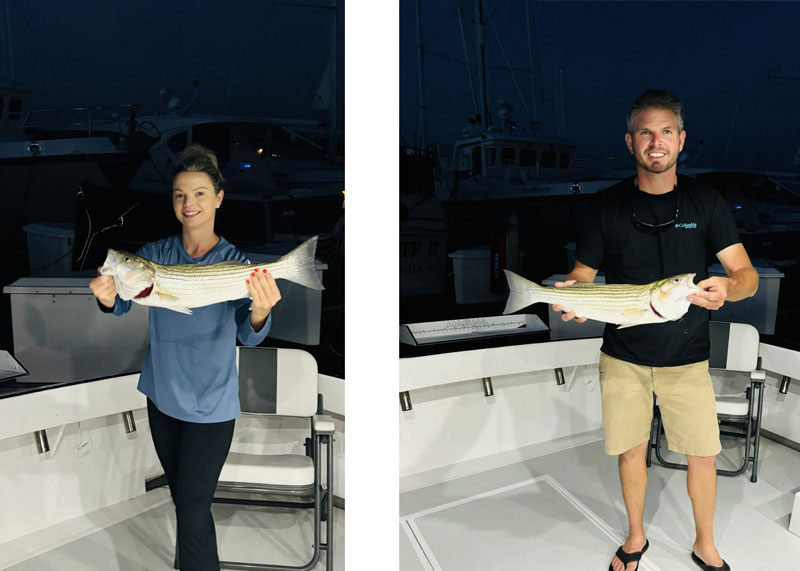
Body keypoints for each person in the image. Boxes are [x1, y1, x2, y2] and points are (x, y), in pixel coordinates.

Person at [554, 90, 758, 571]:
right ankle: (636, 537)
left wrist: (727, 290)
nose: (656, 141)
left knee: (702, 455)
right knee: (630, 453)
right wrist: (574, 296)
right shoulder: (606, 206)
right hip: (622, 356)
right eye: (645, 131)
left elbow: (745, 275)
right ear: (630, 142)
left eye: (666, 131)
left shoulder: (706, 201)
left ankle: (704, 544)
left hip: (688, 358)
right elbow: (584, 274)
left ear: (681, 140)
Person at [89, 143, 282, 571]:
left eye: (198, 193)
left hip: (211, 405)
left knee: (193, 510)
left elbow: (248, 339)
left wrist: (261, 312)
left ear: (218, 198)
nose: (188, 203)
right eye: (179, 194)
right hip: (162, 396)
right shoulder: (156, 255)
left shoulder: (235, 262)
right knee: (184, 502)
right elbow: (123, 303)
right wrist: (107, 295)